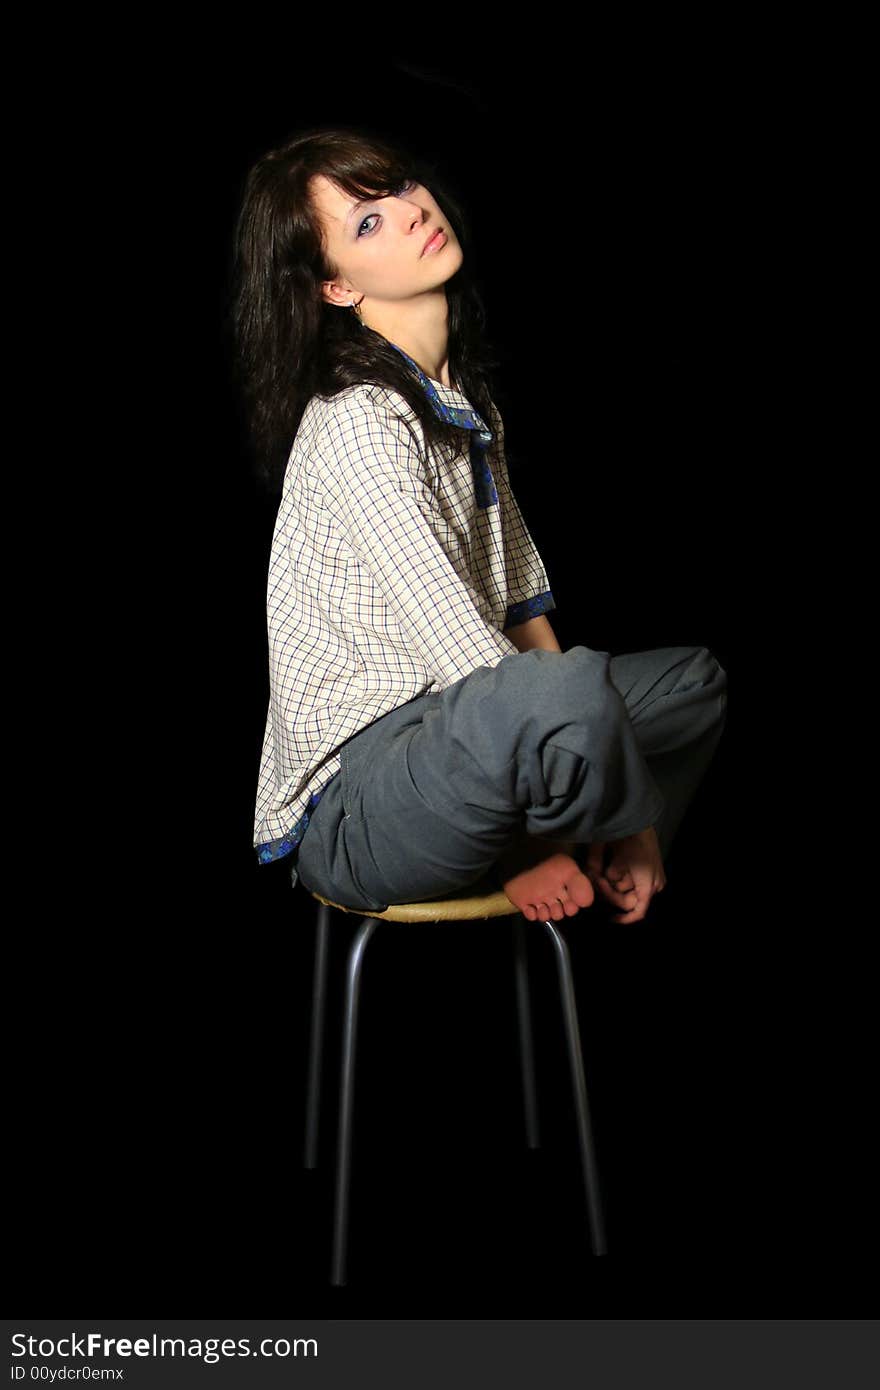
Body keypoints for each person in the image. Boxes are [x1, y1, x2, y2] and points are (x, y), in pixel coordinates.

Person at [228, 124, 727, 924]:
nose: (407, 210)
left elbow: (526, 614)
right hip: (365, 802)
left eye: (393, 188)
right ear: (336, 289)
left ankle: (603, 838)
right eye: (365, 224)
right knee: (565, 695)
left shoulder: (464, 409)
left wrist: (587, 753)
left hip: (478, 735)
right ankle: (562, 833)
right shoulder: (358, 420)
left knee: (691, 683)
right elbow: (470, 654)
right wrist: (570, 827)